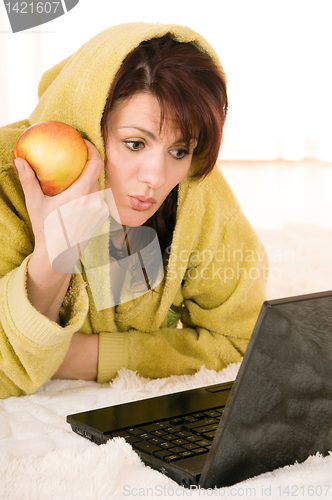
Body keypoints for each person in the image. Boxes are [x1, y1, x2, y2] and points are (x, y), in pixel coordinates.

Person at [0, 22, 268, 399]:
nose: (156, 177)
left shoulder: (196, 191)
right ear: (86, 126)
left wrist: (86, 357)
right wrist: (52, 256)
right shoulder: (8, 184)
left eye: (179, 150)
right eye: (134, 143)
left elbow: (243, 339)